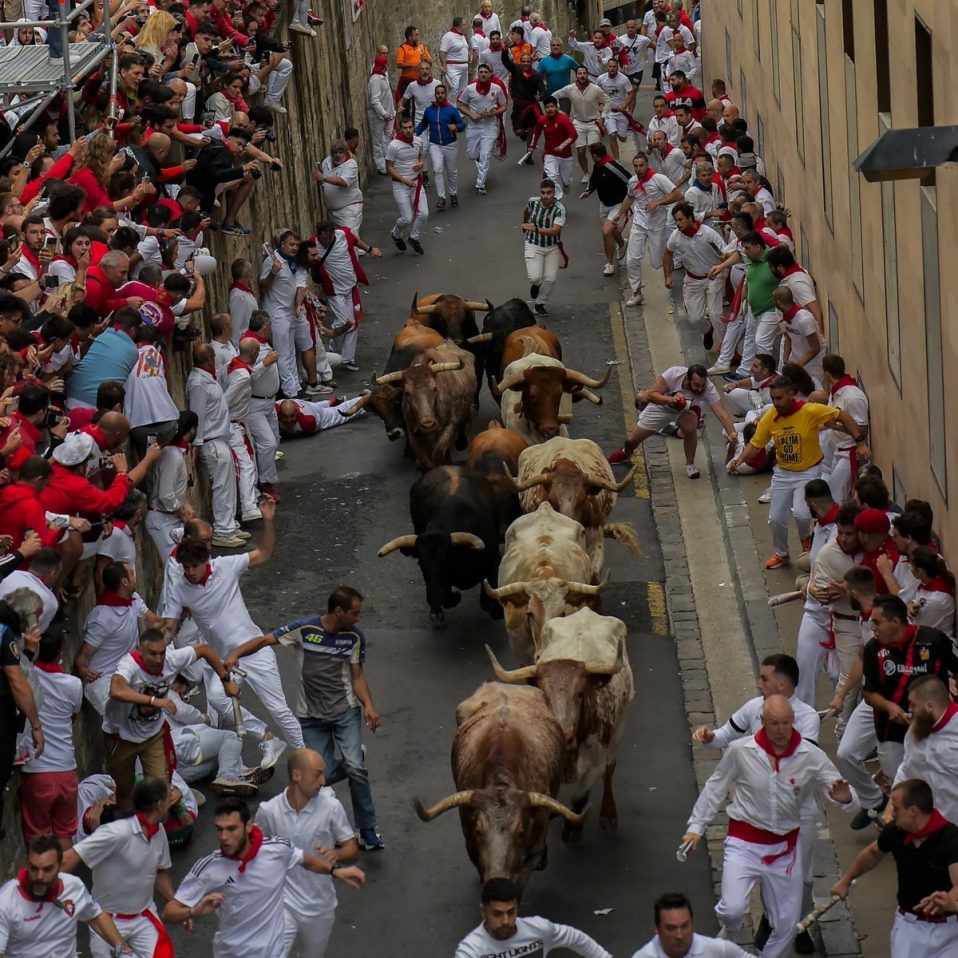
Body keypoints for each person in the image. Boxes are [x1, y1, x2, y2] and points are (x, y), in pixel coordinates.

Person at [682, 696, 856, 956]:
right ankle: (730, 928)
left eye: (786, 723)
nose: (781, 730)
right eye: (774, 723)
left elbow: (845, 794)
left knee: (786, 927)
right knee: (732, 910)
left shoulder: (812, 756)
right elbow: (716, 786)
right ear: (762, 722)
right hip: (744, 844)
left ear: (793, 721)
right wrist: (696, 826)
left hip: (785, 850)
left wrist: (847, 798)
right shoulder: (741, 750)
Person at [223, 586, 384, 850]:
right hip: (312, 718)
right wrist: (234, 655)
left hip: (345, 713)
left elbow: (357, 676)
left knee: (356, 769)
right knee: (319, 775)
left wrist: (368, 705)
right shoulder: (306, 630)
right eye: (355, 613)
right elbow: (265, 640)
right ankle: (355, 760)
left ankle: (366, 830)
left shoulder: (355, 638)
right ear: (338, 611)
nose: (359, 618)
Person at [163, 513, 307, 755]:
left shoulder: (226, 566)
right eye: (185, 567)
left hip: (254, 650)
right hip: (225, 660)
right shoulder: (179, 588)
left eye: (193, 567)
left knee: (279, 709)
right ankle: (266, 735)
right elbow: (168, 628)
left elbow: (264, 553)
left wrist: (269, 520)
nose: (189, 572)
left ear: (205, 561)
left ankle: (307, 757)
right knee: (219, 699)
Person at [163, 796, 365, 957]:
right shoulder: (209, 867)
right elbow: (169, 912)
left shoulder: (277, 850)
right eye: (219, 829)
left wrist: (335, 871)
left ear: (249, 826)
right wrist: (193, 911)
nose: (224, 837)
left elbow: (306, 860)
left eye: (231, 829)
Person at [837, 595, 958, 830]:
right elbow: (869, 692)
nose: (873, 628)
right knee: (895, 778)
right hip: (889, 724)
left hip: (929, 726)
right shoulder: (874, 648)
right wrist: (890, 707)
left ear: (895, 621)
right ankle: (880, 804)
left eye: (877, 622)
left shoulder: (932, 639)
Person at [728, 377, 870, 569]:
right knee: (776, 519)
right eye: (773, 398)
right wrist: (739, 460)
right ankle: (781, 554)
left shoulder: (810, 411)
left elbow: (842, 415)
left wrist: (860, 442)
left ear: (791, 395)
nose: (775, 403)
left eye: (779, 398)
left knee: (802, 514)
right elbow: (755, 445)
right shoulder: (770, 418)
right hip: (782, 473)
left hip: (808, 471)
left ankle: (806, 539)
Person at [104, 629, 239, 813]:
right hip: (122, 737)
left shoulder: (171, 660)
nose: (158, 659)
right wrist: (154, 701)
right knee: (125, 795)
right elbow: (116, 690)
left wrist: (226, 680)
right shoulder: (129, 665)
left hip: (152, 735)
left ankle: (158, 833)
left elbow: (205, 650)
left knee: (161, 793)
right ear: (140, 651)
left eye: (162, 653)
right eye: (152, 654)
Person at [831, 778, 958, 958]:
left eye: (896, 808)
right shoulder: (896, 832)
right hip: (909, 927)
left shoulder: (951, 839)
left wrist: (949, 902)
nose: (892, 813)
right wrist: (846, 880)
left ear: (913, 811)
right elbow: (873, 853)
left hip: (950, 931)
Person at [255, 749, 359, 958]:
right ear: (296, 775)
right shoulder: (269, 811)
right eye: (317, 774)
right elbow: (255, 848)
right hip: (282, 903)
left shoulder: (331, 808)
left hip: (319, 906)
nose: (323, 780)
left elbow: (352, 849)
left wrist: (337, 856)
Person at [61, 777, 175, 957]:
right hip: (107, 921)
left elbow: (159, 871)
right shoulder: (116, 833)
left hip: (144, 918)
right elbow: (70, 858)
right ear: (159, 805)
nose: (173, 801)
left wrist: (175, 902)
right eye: (170, 798)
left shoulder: (158, 831)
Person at [0, 836, 129, 957]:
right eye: (34, 868)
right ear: (26, 863)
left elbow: (95, 916)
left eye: (48, 869)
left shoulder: (73, 886)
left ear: (60, 865)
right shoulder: (6, 901)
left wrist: (122, 948)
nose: (39, 877)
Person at [608, 364, 738, 480]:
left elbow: (723, 415)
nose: (700, 389)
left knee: (690, 428)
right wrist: (670, 400)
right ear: (687, 380)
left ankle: (690, 465)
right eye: (696, 385)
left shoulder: (708, 388)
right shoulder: (673, 374)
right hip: (662, 406)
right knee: (631, 440)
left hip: (686, 409)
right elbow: (652, 395)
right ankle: (626, 451)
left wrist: (733, 435)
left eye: (703, 385)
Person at [794, 502, 863, 712]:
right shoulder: (828, 551)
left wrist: (846, 591)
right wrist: (813, 587)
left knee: (839, 676)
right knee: (804, 670)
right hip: (817, 616)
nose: (843, 538)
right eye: (840, 532)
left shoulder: (868, 552)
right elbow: (820, 583)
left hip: (850, 624)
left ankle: (847, 721)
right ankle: (806, 730)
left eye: (849, 533)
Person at [19, 628, 82, 848]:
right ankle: (66, 881)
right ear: (60, 653)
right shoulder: (73, 685)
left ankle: (44, 881)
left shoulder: (25, 679)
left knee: (38, 838)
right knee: (65, 834)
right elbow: (73, 715)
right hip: (66, 769)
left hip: (37, 772)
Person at [455, 878, 612, 958]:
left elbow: (575, 938)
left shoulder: (539, 929)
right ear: (484, 912)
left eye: (511, 912)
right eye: (497, 914)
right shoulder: (471, 951)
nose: (505, 921)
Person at [187, 342, 245, 548]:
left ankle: (229, 525)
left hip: (220, 438)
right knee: (222, 487)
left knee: (228, 485)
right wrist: (197, 444)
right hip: (212, 441)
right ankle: (223, 529)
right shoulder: (198, 384)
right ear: (209, 359)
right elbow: (198, 416)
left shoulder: (206, 379)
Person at [614, 152, 683, 306]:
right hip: (639, 224)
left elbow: (677, 195)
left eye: (641, 165)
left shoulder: (658, 179)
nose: (638, 169)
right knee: (632, 259)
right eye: (636, 166)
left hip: (657, 226)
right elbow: (630, 197)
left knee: (656, 263)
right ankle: (636, 292)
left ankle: (669, 268)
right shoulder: (632, 182)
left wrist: (657, 203)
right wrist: (620, 214)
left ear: (647, 165)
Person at [311, 222, 380, 373]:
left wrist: (370, 250)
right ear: (318, 235)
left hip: (351, 286)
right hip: (334, 291)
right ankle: (335, 349)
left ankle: (348, 358)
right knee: (343, 321)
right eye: (324, 238)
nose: (327, 241)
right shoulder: (312, 244)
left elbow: (356, 241)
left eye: (330, 237)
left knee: (353, 322)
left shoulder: (343, 234)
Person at [259, 231, 319, 399]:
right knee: (283, 354)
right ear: (282, 244)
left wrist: (298, 305)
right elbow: (262, 285)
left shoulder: (296, 262)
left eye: (297, 245)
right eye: (291, 244)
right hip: (276, 313)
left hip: (290, 311)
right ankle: (290, 392)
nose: (295, 248)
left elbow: (300, 284)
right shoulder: (272, 261)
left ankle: (295, 387)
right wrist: (273, 273)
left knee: (291, 353)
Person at [893, 675, 958, 824]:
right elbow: (906, 770)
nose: (909, 710)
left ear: (929, 706)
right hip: (925, 829)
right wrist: (892, 809)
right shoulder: (914, 732)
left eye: (913, 704)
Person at [664, 203, 725, 351]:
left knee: (715, 314)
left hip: (714, 278)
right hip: (692, 280)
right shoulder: (675, 237)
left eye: (680, 220)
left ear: (690, 218)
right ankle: (707, 331)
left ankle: (728, 349)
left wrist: (716, 269)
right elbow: (667, 253)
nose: (677, 224)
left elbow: (723, 253)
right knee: (695, 318)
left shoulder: (708, 234)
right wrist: (667, 276)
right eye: (676, 221)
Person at [631, 892, 752, 958]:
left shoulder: (718, 949)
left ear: (692, 923)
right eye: (671, 928)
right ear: (657, 929)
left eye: (685, 926)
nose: (679, 935)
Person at [241, 311, 283, 501]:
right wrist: (265, 364)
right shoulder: (251, 345)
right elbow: (243, 377)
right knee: (267, 443)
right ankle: (265, 483)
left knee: (273, 439)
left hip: (269, 401)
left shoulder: (261, 342)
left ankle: (264, 477)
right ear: (265, 328)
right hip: (255, 403)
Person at [819, 353, 870, 503]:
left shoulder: (853, 397)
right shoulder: (836, 392)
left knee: (837, 495)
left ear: (827, 373)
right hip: (838, 450)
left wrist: (836, 426)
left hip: (850, 453)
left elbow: (862, 430)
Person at [580, 142, 631, 275]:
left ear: (595, 155)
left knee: (606, 231)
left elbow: (629, 180)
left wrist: (631, 199)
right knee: (611, 232)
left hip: (617, 205)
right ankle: (622, 244)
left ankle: (609, 263)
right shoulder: (598, 165)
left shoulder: (612, 167)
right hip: (604, 205)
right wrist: (588, 191)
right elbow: (594, 180)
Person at [458, 63, 508, 195]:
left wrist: (494, 113)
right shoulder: (470, 89)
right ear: (478, 74)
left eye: (486, 72)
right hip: (474, 126)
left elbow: (504, 105)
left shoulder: (496, 88)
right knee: (472, 155)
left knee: (485, 156)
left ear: (491, 74)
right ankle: (478, 157)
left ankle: (480, 185)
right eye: (481, 72)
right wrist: (470, 114)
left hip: (489, 126)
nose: (483, 74)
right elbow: (460, 104)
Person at [553, 66, 608, 182]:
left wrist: (603, 116)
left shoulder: (595, 88)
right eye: (579, 73)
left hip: (593, 123)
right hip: (578, 123)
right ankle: (586, 174)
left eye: (584, 73)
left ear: (587, 75)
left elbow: (607, 100)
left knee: (594, 151)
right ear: (576, 75)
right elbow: (554, 96)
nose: (582, 76)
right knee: (581, 151)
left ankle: (599, 172)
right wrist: (559, 111)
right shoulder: (570, 89)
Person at [522, 178, 566, 317]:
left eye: (549, 193)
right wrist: (524, 222)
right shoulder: (533, 201)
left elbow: (555, 230)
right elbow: (527, 211)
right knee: (534, 278)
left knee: (551, 279)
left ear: (554, 193)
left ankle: (539, 304)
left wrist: (534, 228)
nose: (545, 196)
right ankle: (536, 285)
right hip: (533, 244)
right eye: (543, 192)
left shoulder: (560, 209)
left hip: (552, 246)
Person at [416, 85, 465, 212]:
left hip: (450, 144)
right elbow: (423, 124)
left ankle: (453, 194)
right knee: (437, 170)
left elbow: (462, 124)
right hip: (435, 144)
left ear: (446, 94)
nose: (440, 95)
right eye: (438, 93)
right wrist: (414, 133)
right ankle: (441, 198)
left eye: (442, 93)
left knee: (451, 171)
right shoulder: (429, 111)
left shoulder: (452, 110)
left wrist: (456, 127)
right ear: (435, 94)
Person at [386, 116, 429, 255]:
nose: (408, 130)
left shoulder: (418, 141)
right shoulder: (393, 146)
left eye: (410, 127)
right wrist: (404, 180)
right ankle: (396, 233)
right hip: (400, 185)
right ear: (400, 128)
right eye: (405, 128)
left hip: (416, 182)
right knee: (407, 218)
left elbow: (421, 156)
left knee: (424, 214)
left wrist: (421, 163)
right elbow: (389, 168)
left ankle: (414, 238)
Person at [525, 97, 577, 201]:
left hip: (565, 155)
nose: (549, 109)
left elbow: (574, 135)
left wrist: (562, 146)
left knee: (566, 181)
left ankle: (565, 185)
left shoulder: (564, 119)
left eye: (552, 106)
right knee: (552, 176)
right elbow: (536, 132)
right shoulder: (542, 120)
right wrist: (532, 145)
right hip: (550, 154)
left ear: (557, 107)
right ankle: (556, 199)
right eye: (547, 107)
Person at [313, 140, 363, 235]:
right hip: (332, 212)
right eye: (334, 153)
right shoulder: (326, 162)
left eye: (340, 152)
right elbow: (324, 183)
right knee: (338, 243)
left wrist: (323, 178)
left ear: (346, 152)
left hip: (349, 209)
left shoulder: (351, 165)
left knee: (351, 239)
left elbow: (343, 181)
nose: (337, 155)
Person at [596, 57, 635, 160]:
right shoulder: (601, 79)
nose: (612, 68)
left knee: (622, 138)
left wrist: (625, 104)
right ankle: (617, 160)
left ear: (617, 68)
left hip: (621, 112)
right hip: (608, 112)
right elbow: (596, 94)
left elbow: (631, 93)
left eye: (614, 67)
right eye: (610, 66)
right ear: (607, 67)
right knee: (612, 135)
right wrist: (599, 105)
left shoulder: (624, 79)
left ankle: (622, 134)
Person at [366, 54, 394, 175]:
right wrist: (383, 113)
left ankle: (390, 164)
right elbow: (375, 100)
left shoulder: (383, 76)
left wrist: (391, 112)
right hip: (378, 117)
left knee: (389, 140)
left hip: (388, 114)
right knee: (377, 141)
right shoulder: (375, 80)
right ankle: (381, 166)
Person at [439, 17, 471, 104]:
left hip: (464, 67)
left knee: (463, 89)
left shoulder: (462, 36)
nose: (466, 27)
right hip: (453, 67)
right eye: (465, 24)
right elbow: (442, 52)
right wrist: (444, 66)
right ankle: (451, 108)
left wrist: (469, 59)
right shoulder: (448, 36)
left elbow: (465, 48)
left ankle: (461, 110)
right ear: (460, 25)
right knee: (453, 88)